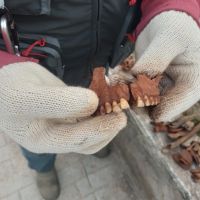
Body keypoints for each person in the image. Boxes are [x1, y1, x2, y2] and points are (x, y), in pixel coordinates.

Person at [0, 0, 200, 199]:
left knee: (97, 107)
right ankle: (42, 166)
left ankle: (92, 141)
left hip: (102, 56)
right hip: (28, 71)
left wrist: (178, 7)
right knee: (35, 129)